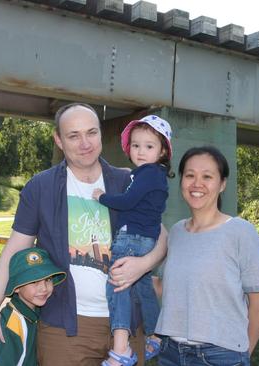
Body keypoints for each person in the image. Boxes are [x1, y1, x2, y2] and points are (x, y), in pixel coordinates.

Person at [0, 103, 167, 366]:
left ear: (101, 135)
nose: (85, 143)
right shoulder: (41, 187)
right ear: (59, 140)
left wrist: (143, 265)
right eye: (74, 135)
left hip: (127, 328)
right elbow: (15, 249)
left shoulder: (126, 180)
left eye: (91, 133)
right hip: (64, 329)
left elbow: (161, 234)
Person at [155, 146, 259, 366]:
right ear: (181, 181)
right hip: (171, 353)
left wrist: (244, 354)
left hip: (220, 356)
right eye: (190, 175)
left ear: (222, 184)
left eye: (207, 176)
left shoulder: (240, 231)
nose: (197, 183)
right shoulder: (177, 231)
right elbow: (164, 287)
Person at [92, 115, 173, 366]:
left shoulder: (148, 174)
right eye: (136, 145)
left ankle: (121, 348)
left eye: (149, 146)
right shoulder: (150, 175)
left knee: (117, 286)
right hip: (145, 239)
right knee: (142, 287)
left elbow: (127, 202)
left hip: (132, 238)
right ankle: (156, 335)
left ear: (162, 152)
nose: (140, 151)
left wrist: (101, 197)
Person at [0, 247, 66, 366]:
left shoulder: (33, 310)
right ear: (16, 287)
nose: (44, 288)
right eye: (34, 282)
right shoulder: (12, 324)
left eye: (48, 279)